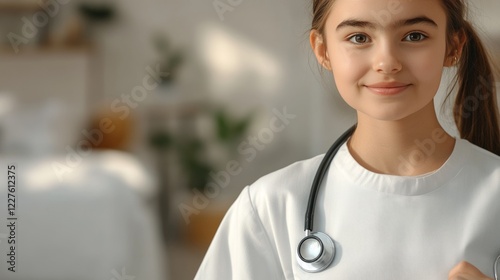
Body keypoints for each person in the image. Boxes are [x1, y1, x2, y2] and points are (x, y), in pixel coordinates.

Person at [195, 0, 500, 279]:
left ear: (453, 46)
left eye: (414, 36)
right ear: (323, 50)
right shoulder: (269, 207)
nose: (387, 63)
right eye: (359, 38)